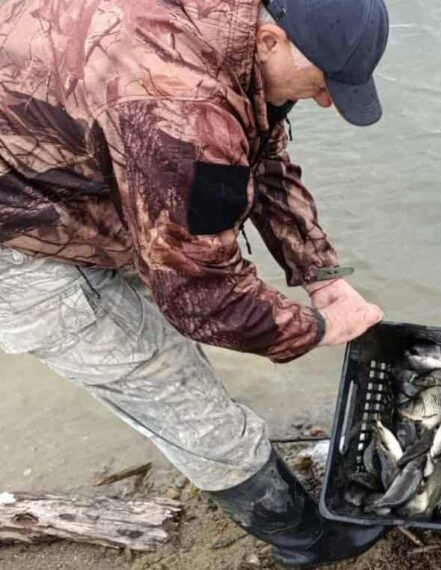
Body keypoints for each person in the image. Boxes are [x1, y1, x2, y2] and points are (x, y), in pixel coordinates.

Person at [0, 0, 391, 566]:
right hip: (15, 238)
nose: (327, 100)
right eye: (323, 82)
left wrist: (321, 273)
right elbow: (203, 299)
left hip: (56, 164)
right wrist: (316, 328)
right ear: (270, 42)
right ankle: (303, 539)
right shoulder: (179, 107)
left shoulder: (226, 27)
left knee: (162, 322)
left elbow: (256, 152)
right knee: (167, 384)